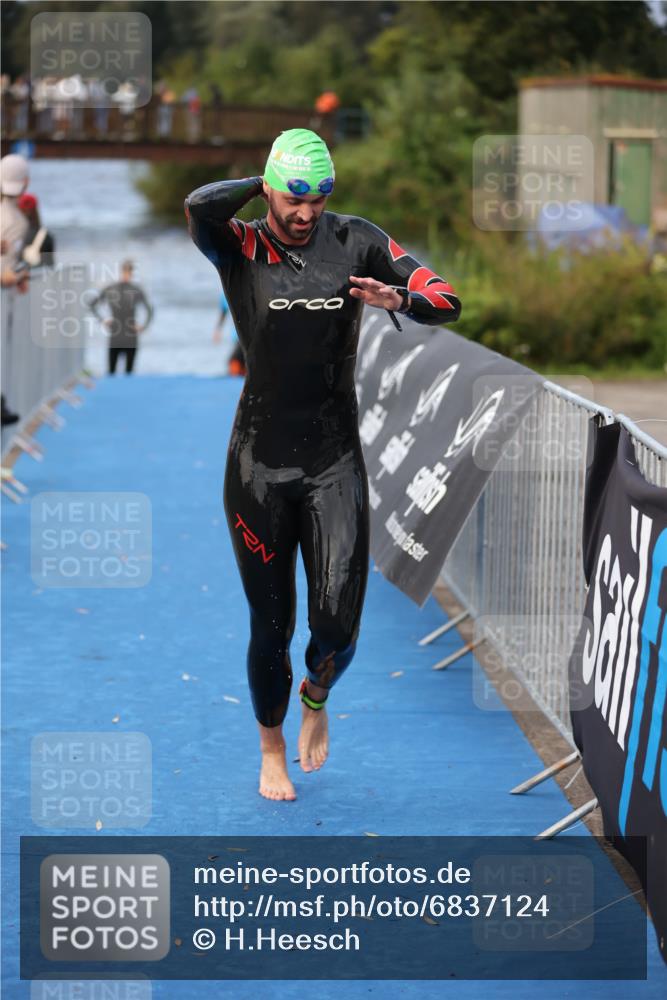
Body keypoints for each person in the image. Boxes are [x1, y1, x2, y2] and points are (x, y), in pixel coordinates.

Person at [185, 128, 461, 802]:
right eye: (293, 199)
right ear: (270, 190)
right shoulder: (241, 245)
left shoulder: (356, 241)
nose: (306, 213)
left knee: (337, 624)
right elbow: (198, 206)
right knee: (271, 624)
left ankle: (316, 696)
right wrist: (260, 184)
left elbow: (446, 299)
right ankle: (270, 749)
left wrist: (400, 300)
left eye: (319, 199)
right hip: (257, 467)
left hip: (332, 462)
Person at [88, 259, 153, 375]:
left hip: (127, 334)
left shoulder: (131, 290)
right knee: (114, 372)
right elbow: (92, 305)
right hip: (119, 334)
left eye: (128, 272)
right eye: (127, 272)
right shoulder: (118, 289)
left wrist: (143, 326)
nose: (127, 275)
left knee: (126, 373)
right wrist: (103, 320)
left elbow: (150, 310)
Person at [18, 193, 56, 266]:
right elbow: (50, 265)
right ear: (36, 210)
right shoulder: (46, 236)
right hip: (39, 272)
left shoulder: (16, 234)